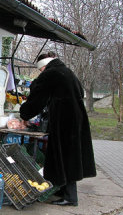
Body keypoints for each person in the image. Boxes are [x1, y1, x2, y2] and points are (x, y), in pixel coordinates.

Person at [19, 52, 96, 206]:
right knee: (70, 154)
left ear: (44, 66)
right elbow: (80, 92)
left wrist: (24, 113)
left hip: (64, 119)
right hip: (77, 117)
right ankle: (63, 189)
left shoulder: (51, 74)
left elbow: (38, 98)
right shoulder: (67, 71)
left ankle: (70, 197)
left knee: (64, 156)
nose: (41, 73)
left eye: (40, 70)